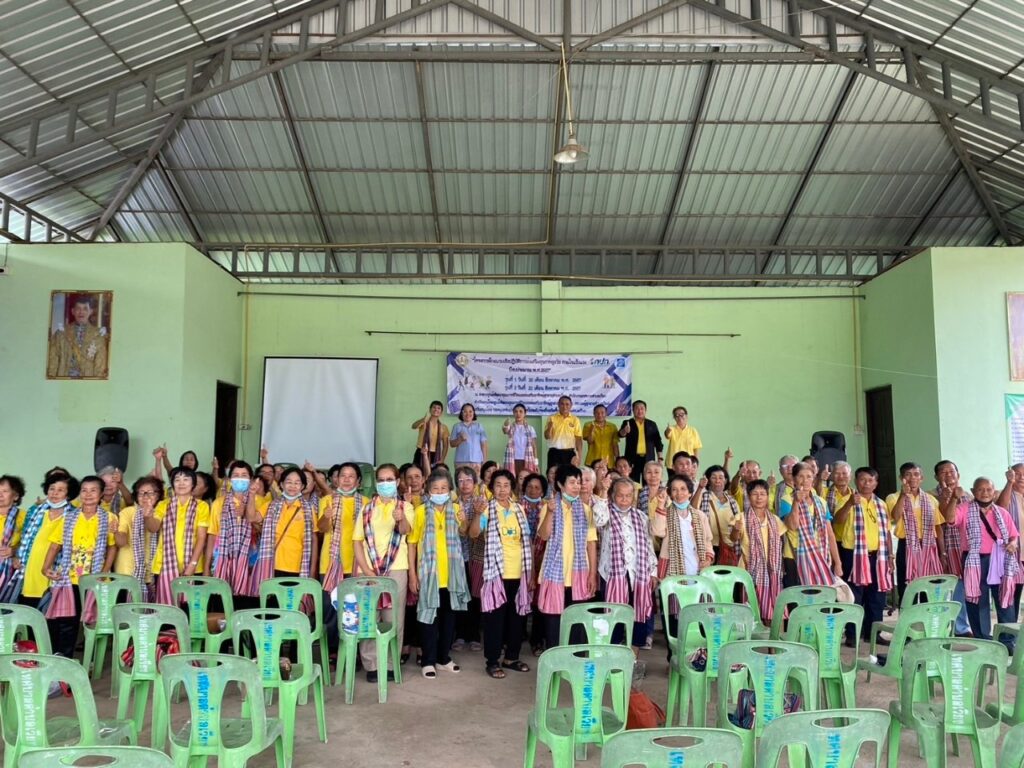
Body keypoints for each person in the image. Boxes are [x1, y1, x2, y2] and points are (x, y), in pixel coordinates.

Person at [42, 476, 117, 659]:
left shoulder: (109, 518)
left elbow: (112, 547)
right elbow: (55, 545)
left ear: (101, 494)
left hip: (94, 578)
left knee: (91, 621)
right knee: (67, 620)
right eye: (84, 490)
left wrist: (104, 571)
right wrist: (45, 567)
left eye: (93, 490)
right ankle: (63, 658)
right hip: (69, 577)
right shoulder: (69, 517)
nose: (88, 494)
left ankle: (89, 661)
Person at [943, 477, 1020, 651]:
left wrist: (1013, 543)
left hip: (999, 559)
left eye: (989, 489)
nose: (985, 493)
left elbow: (1013, 535)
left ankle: (1007, 642)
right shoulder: (964, 508)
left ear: (994, 491)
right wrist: (954, 498)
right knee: (977, 601)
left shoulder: (1002, 512)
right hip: (975, 560)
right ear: (973, 491)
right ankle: (983, 640)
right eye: (980, 489)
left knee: (1005, 599)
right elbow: (950, 519)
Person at [409, 470, 471, 679]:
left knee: (448, 618)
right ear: (428, 491)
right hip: (429, 575)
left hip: (452, 575)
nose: (440, 492)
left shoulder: (457, 509)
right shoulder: (420, 512)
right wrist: (412, 576)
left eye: (444, 488)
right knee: (428, 619)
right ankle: (428, 660)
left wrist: (464, 521)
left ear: (450, 490)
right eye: (435, 489)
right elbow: (412, 544)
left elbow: (464, 533)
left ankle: (443, 658)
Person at [352, 464, 412, 683]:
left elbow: (406, 531)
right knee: (369, 618)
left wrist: (400, 518)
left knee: (393, 618)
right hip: (367, 570)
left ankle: (389, 663)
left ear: (397, 482)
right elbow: (357, 542)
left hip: (395, 569)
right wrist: (367, 571)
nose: (385, 483)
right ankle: (372, 664)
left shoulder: (405, 506)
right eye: (381, 480)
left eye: (389, 479)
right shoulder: (366, 509)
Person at [473, 469, 533, 678]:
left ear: (511, 487)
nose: (502, 489)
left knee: (516, 619)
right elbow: (474, 533)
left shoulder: (518, 509)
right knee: (495, 620)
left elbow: (526, 540)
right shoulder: (487, 509)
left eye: (506, 485)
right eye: (498, 485)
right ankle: (492, 661)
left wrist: (531, 573)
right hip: (496, 574)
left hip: (519, 573)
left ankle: (511, 658)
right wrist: (477, 514)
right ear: (492, 488)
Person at [536, 464, 598, 650]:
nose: (577, 486)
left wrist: (592, 574)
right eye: (572, 482)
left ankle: (575, 660)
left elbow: (591, 543)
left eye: (578, 482)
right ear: (560, 485)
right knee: (554, 624)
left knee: (577, 623)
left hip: (579, 575)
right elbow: (543, 535)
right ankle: (555, 660)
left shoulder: (586, 510)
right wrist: (550, 512)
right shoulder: (549, 507)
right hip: (556, 575)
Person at [594, 476, 657, 653]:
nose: (624, 499)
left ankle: (632, 660)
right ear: (613, 495)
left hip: (638, 575)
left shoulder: (640, 517)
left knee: (637, 617)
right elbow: (598, 520)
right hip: (613, 575)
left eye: (628, 495)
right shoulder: (606, 513)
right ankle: (613, 658)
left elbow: (648, 545)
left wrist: (653, 572)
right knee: (614, 615)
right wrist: (603, 491)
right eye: (620, 495)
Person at [832, 467, 894, 647]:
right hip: (854, 555)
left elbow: (887, 532)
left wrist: (890, 555)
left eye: (870, 480)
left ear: (876, 483)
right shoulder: (846, 500)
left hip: (878, 556)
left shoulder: (881, 504)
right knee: (854, 596)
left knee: (877, 597)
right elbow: (837, 521)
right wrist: (850, 504)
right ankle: (853, 634)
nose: (866, 483)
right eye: (862, 479)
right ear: (856, 482)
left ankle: (873, 633)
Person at [4, 472, 78, 606]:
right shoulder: (35, 510)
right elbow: (23, 537)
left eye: (60, 490)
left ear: (68, 494)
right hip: (31, 566)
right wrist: (17, 556)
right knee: (28, 606)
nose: (54, 493)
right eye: (52, 489)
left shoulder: (75, 515)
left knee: (50, 607)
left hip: (56, 569)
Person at [319, 462, 367, 655]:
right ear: (336, 479)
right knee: (331, 610)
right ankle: (333, 652)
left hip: (356, 564)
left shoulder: (366, 502)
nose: (346, 480)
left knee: (353, 610)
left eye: (351, 476)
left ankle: (352, 652)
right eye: (342, 476)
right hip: (330, 563)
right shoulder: (327, 500)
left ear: (358, 481)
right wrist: (326, 516)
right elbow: (322, 529)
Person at [147, 467, 210, 604]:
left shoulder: (202, 506)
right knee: (166, 608)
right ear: (172, 484)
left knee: (189, 608)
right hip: (163, 565)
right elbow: (153, 528)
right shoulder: (163, 504)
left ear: (193, 484)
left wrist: (192, 565)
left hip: (193, 565)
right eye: (177, 480)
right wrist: (148, 515)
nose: (181, 483)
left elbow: (201, 538)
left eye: (186, 479)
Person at [206, 461, 265, 608]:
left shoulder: (260, 501)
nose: (240, 479)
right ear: (229, 479)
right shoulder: (219, 503)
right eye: (236, 475)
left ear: (251, 479)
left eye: (244, 475)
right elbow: (212, 535)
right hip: (224, 559)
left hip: (250, 561)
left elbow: (264, 532)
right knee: (222, 603)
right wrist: (207, 566)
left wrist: (248, 514)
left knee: (246, 603)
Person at [886, 462, 944, 602]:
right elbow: (895, 517)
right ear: (901, 478)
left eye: (916, 474)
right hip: (907, 546)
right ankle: (908, 615)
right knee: (907, 589)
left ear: (921, 478)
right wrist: (903, 496)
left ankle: (926, 615)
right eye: (908, 474)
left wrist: (942, 552)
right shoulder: (893, 497)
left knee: (928, 588)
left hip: (928, 546)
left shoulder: (930, 499)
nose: (912, 478)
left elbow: (937, 527)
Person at [780, 462, 842, 587]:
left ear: (813, 479)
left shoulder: (821, 502)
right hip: (795, 556)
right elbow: (793, 525)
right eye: (801, 476)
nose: (805, 480)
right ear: (794, 479)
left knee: (821, 595)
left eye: (809, 476)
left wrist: (838, 562)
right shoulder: (787, 499)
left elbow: (830, 534)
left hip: (821, 555)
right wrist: (796, 502)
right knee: (799, 596)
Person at [730, 479, 781, 625]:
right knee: (749, 608)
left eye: (762, 494)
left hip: (771, 571)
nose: (759, 498)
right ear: (748, 496)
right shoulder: (741, 517)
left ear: (768, 496)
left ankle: (771, 637)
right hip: (747, 569)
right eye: (755, 494)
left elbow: (780, 543)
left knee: (771, 609)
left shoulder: (774, 519)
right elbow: (733, 539)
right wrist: (736, 530)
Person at [114, 476, 163, 597]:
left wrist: (148, 517)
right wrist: (115, 532)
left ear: (158, 495)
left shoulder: (161, 512)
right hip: (126, 571)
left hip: (152, 572)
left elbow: (153, 528)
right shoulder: (127, 512)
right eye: (141, 493)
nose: (145, 497)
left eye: (150, 493)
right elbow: (121, 542)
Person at [452, 467, 484, 652]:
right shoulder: (452, 503)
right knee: (459, 595)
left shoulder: (481, 503)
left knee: (474, 596)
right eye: (461, 481)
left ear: (475, 483)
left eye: (468, 480)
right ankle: (460, 635)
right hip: (457, 556)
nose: (465, 484)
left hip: (476, 556)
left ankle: (474, 635)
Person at [47, 293, 108, 378]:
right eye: (78, 308)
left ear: (91, 311)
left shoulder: (98, 335)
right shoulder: (61, 333)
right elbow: (53, 360)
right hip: (64, 377)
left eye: (85, 309)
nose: (81, 312)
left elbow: (100, 366)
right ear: (73, 311)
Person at [697, 465, 741, 566]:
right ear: (708, 480)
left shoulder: (732, 502)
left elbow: (738, 524)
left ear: (725, 480)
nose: (717, 481)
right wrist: (700, 488)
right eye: (713, 477)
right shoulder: (703, 497)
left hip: (729, 547)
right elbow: (693, 510)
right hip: (709, 548)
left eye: (721, 477)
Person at [618, 401, 663, 483]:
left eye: (642, 408)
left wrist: (660, 458)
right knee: (633, 481)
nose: (639, 411)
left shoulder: (652, 424)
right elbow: (620, 434)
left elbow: (658, 442)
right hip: (632, 459)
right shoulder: (628, 422)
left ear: (646, 410)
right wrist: (624, 431)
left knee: (648, 481)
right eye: (637, 408)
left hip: (648, 458)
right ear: (633, 410)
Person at [0, 476, 27, 598]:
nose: (0, 495)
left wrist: (15, 551)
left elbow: (29, 542)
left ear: (15, 496)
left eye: (5, 491)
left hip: (10, 568)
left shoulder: (24, 516)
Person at [543, 395, 583, 470]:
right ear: (558, 404)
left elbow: (578, 439)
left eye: (567, 404)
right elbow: (547, 436)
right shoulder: (552, 418)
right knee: (553, 474)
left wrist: (579, 457)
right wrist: (550, 427)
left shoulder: (575, 419)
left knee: (569, 474)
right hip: (554, 453)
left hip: (570, 453)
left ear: (571, 405)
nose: (564, 407)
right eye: (562, 404)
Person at [412, 401, 450, 472]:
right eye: (434, 407)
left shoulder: (443, 427)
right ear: (430, 410)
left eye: (438, 408)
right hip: (421, 452)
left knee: (433, 475)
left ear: (441, 412)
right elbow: (413, 426)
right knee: (418, 472)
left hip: (435, 455)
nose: (436, 409)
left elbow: (445, 445)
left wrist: (442, 459)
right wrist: (423, 419)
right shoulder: (424, 423)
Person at [501, 403, 539, 475]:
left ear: (525, 413)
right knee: (512, 479)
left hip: (527, 460)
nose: (518, 414)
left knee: (526, 479)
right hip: (512, 459)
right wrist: (505, 424)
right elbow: (505, 431)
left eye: (521, 411)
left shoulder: (530, 428)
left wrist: (536, 463)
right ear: (513, 413)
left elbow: (534, 446)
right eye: (516, 411)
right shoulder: (510, 427)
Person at [449, 403, 487, 473]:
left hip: (477, 461)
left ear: (473, 413)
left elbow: (483, 445)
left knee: (476, 480)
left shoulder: (479, 426)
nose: (468, 414)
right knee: (461, 479)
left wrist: (484, 461)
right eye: (465, 411)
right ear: (461, 413)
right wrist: (460, 439)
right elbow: (451, 444)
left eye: (470, 411)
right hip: (461, 461)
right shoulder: (457, 426)